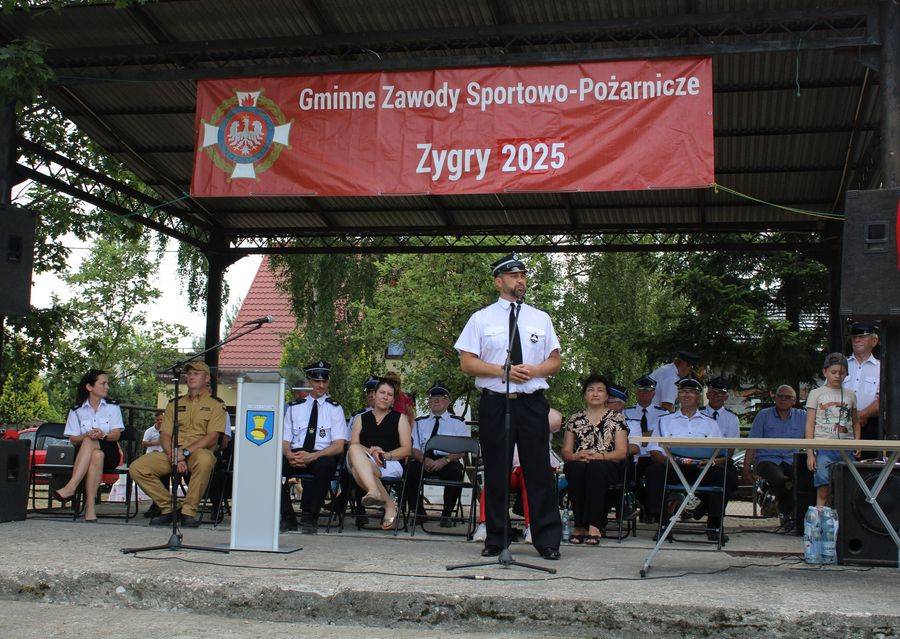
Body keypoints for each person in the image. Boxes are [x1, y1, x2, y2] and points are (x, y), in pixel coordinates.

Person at [454, 253, 563, 560]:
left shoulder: (540, 318)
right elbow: (467, 362)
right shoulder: (481, 318)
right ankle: (496, 538)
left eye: (523, 275)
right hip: (496, 403)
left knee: (539, 471)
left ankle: (546, 539)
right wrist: (502, 371)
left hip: (531, 402)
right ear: (499, 281)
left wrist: (536, 370)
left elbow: (555, 361)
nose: (521, 280)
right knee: (497, 471)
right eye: (514, 276)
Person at [129, 361, 226, 527]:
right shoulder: (174, 403)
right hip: (173, 452)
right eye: (189, 374)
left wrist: (185, 453)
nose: (191, 377)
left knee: (205, 460)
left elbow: (212, 437)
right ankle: (170, 507)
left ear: (207, 378)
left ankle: (188, 512)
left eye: (196, 373)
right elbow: (165, 434)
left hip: (198, 453)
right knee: (137, 467)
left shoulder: (216, 404)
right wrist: (174, 455)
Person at [645, 377, 738, 541]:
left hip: (702, 468)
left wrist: (712, 462)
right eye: (682, 392)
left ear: (698, 397)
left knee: (724, 475)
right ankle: (663, 523)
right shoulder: (664, 421)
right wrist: (669, 462)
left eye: (691, 392)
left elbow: (722, 454)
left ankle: (715, 525)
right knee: (654, 471)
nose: (686, 395)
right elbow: (654, 451)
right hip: (674, 466)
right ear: (678, 396)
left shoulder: (710, 424)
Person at [473, 408, 564, 545]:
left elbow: (556, 421)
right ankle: (486, 524)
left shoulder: (539, 407)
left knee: (530, 481)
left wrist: (527, 411)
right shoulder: (503, 407)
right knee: (493, 481)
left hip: (531, 466)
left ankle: (531, 526)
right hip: (507, 467)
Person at [280, 360, 349, 534]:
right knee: (271, 465)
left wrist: (313, 456)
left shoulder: (335, 409)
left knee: (325, 466)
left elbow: (339, 446)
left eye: (324, 381)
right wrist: (288, 454)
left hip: (321, 454)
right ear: (309, 381)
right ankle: (287, 516)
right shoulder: (294, 408)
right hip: (296, 454)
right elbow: (285, 440)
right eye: (317, 381)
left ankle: (311, 517)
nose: (321, 385)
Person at [561, 374, 629, 544]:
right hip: (581, 462)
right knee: (574, 468)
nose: (595, 394)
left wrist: (601, 456)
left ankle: (594, 526)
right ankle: (579, 526)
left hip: (608, 464)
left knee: (596, 468)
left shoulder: (617, 418)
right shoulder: (574, 419)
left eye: (600, 390)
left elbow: (621, 452)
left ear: (607, 396)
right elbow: (566, 452)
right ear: (585, 394)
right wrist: (576, 455)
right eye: (590, 390)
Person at [55, 369, 124, 522]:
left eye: (107, 384)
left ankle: (71, 487)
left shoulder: (113, 407)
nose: (107, 387)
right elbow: (73, 439)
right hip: (84, 456)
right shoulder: (77, 410)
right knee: (95, 454)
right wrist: (86, 435)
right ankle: (90, 508)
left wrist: (102, 435)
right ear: (89, 387)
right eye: (103, 383)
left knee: (92, 443)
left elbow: (116, 435)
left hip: (110, 451)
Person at [347, 378, 412, 530]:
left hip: (391, 462)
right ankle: (387, 502)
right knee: (354, 449)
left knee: (357, 469)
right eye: (382, 392)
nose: (385, 397)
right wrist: (372, 451)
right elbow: (354, 444)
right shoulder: (360, 418)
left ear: (393, 400)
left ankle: (378, 495)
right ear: (374, 395)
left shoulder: (400, 419)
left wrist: (384, 455)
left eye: (390, 395)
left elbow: (407, 449)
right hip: (367, 460)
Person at [405, 383, 470, 527]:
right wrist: (424, 460)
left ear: (448, 401)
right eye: (432, 397)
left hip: (448, 461)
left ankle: (446, 515)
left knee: (456, 473)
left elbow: (462, 450)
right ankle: (419, 513)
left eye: (441, 397)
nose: (436, 400)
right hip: (424, 459)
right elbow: (413, 448)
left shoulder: (458, 423)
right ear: (428, 402)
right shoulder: (419, 423)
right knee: (410, 471)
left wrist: (445, 460)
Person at [743, 384, 806, 532]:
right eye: (780, 396)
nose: (783, 399)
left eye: (787, 397)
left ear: (794, 400)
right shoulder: (763, 415)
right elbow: (752, 443)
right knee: (779, 479)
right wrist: (746, 469)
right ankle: (784, 513)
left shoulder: (802, 416)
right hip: (767, 460)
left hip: (791, 459)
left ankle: (794, 515)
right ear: (775, 398)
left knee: (802, 479)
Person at [806, 353, 860, 507]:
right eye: (833, 372)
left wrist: (857, 442)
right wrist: (810, 452)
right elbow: (809, 424)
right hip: (823, 447)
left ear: (847, 374)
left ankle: (843, 518)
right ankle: (821, 519)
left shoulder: (851, 395)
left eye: (841, 373)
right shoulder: (816, 393)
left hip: (847, 447)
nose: (837, 376)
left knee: (848, 487)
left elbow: (856, 422)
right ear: (825, 372)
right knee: (823, 487)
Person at [623, 375, 668, 522]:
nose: (644, 394)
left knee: (655, 475)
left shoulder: (663, 413)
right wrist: (646, 434)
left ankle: (653, 511)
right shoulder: (626, 412)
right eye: (641, 390)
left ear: (653, 393)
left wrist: (641, 435)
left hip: (654, 456)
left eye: (648, 391)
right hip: (635, 456)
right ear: (636, 392)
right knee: (629, 478)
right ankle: (645, 505)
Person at [843, 322, 880, 460]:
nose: (857, 340)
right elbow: (828, 393)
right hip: (841, 424)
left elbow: (885, 398)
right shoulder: (841, 365)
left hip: (870, 426)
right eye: (854, 337)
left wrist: (862, 415)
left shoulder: (881, 367)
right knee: (840, 466)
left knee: (868, 466)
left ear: (874, 341)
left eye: (862, 337)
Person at [141, 411, 166, 519]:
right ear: (155, 420)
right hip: (151, 458)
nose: (160, 422)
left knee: (163, 477)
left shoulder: (167, 431)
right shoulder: (150, 431)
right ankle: (157, 504)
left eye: (161, 420)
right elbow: (144, 443)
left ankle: (160, 505)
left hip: (163, 458)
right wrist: (155, 443)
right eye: (158, 420)